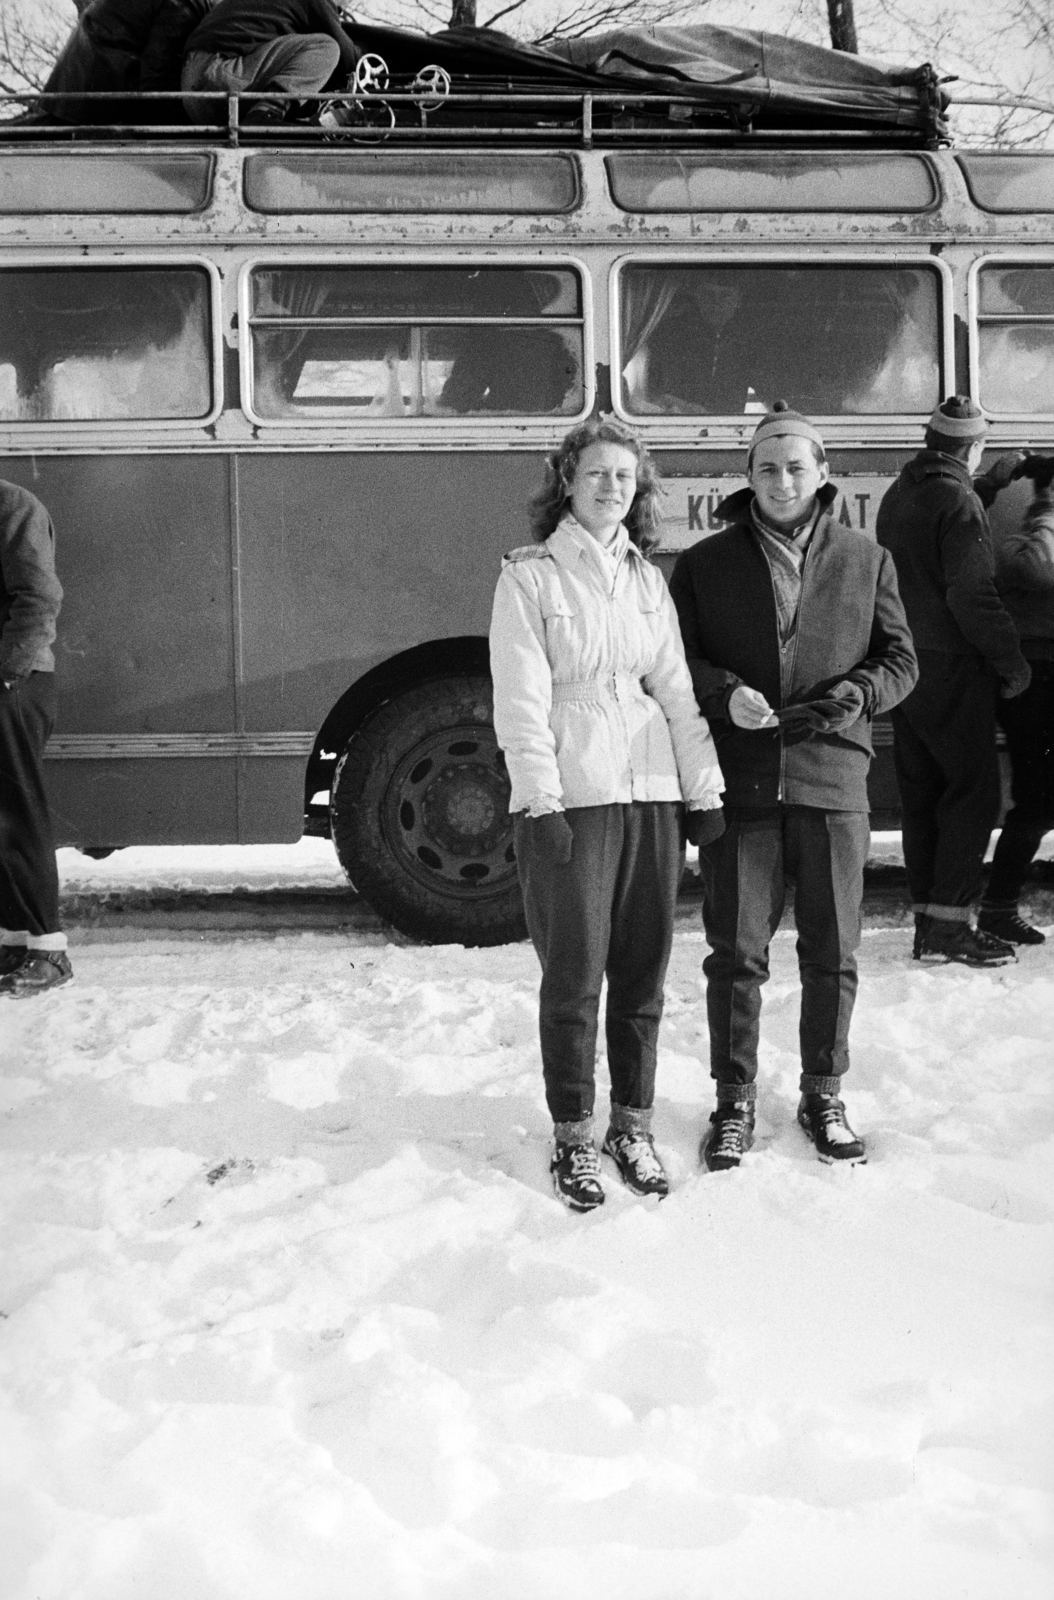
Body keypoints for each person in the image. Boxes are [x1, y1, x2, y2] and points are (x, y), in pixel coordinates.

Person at [669, 401, 917, 1171]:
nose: (782, 480)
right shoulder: (704, 565)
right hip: (743, 785)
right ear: (746, 477)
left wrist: (863, 695)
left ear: (823, 475)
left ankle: (824, 1091)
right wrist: (723, 692)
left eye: (796, 467)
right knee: (736, 953)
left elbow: (901, 659)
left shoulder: (865, 558)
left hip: (835, 777)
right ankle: (734, 1101)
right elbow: (676, 665)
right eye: (767, 467)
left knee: (833, 949)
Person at [489, 418, 725, 1212]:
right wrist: (542, 800)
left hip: (651, 791)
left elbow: (677, 692)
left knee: (643, 971)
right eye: (596, 473)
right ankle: (573, 1136)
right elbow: (521, 705)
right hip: (576, 798)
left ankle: (633, 1126)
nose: (611, 488)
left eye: (625, 477)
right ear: (567, 480)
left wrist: (704, 791)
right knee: (574, 976)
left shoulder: (648, 581)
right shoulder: (529, 578)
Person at [875, 397, 1032, 966]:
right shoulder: (957, 500)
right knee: (973, 794)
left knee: (924, 796)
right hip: (954, 668)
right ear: (974, 446)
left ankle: (929, 920)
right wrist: (1012, 662)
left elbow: (937, 531)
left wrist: (986, 485)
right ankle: (950, 928)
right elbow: (971, 593)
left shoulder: (904, 491)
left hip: (906, 664)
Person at [974, 452, 1054, 944]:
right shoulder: (1023, 540)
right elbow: (1037, 568)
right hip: (1037, 678)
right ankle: (998, 906)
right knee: (1040, 800)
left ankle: (998, 905)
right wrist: (1048, 506)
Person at [0, 481, 71, 998]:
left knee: (17, 813)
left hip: (13, 685)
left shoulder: (13, 505)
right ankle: (13, 943)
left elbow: (38, 595)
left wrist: (7, 672)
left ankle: (50, 951)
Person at [181, 0, 359, 126]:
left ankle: (267, 113)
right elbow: (349, 60)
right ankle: (266, 112)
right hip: (217, 76)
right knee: (326, 47)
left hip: (193, 96)